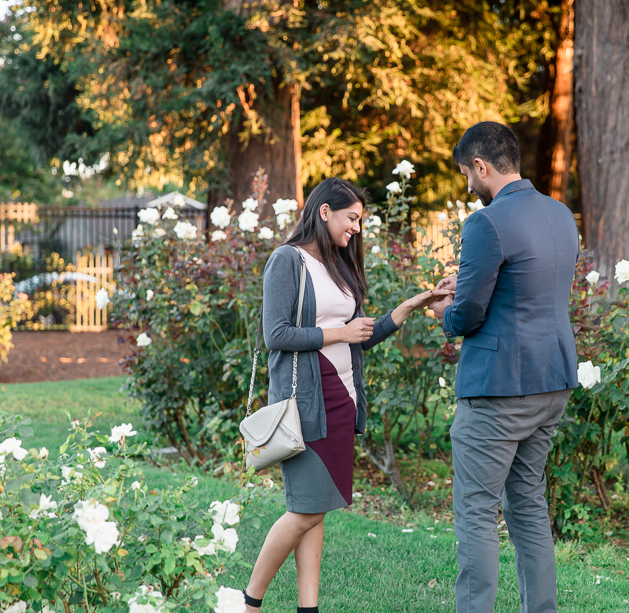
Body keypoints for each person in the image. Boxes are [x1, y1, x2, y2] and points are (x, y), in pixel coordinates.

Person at [243, 177, 452, 613]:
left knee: (315, 509)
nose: (357, 227)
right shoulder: (288, 260)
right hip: (304, 405)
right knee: (303, 511)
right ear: (325, 212)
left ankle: (308, 608)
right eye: (352, 217)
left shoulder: (338, 267)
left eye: (361, 220)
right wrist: (338, 332)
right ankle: (249, 604)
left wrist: (411, 305)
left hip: (341, 402)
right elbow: (275, 334)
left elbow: (359, 337)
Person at [430, 122, 579, 613]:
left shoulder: (486, 223)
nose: (467, 185)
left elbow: (468, 314)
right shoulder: (561, 216)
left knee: (476, 510)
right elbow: (527, 291)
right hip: (552, 379)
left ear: (481, 166)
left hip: (499, 390)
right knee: (529, 505)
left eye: (466, 174)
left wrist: (443, 311)